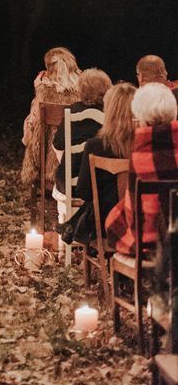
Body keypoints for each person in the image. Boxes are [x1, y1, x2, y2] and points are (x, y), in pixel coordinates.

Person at [57, 82, 136, 245]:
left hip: (105, 225)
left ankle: (70, 227)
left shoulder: (96, 145)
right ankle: (70, 226)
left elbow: (84, 192)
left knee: (96, 199)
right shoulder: (144, 144)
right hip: (139, 219)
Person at [105, 83, 178, 255]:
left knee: (114, 220)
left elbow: (134, 214)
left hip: (150, 244)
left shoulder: (139, 156)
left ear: (140, 118)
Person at [21, 46, 81, 191]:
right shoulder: (83, 89)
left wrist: (39, 88)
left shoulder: (44, 90)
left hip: (46, 161)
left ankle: (40, 180)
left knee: (30, 123)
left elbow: (33, 123)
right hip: (76, 162)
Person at [52, 68, 111, 199]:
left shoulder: (71, 111)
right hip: (99, 183)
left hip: (69, 184)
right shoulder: (109, 113)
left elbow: (58, 143)